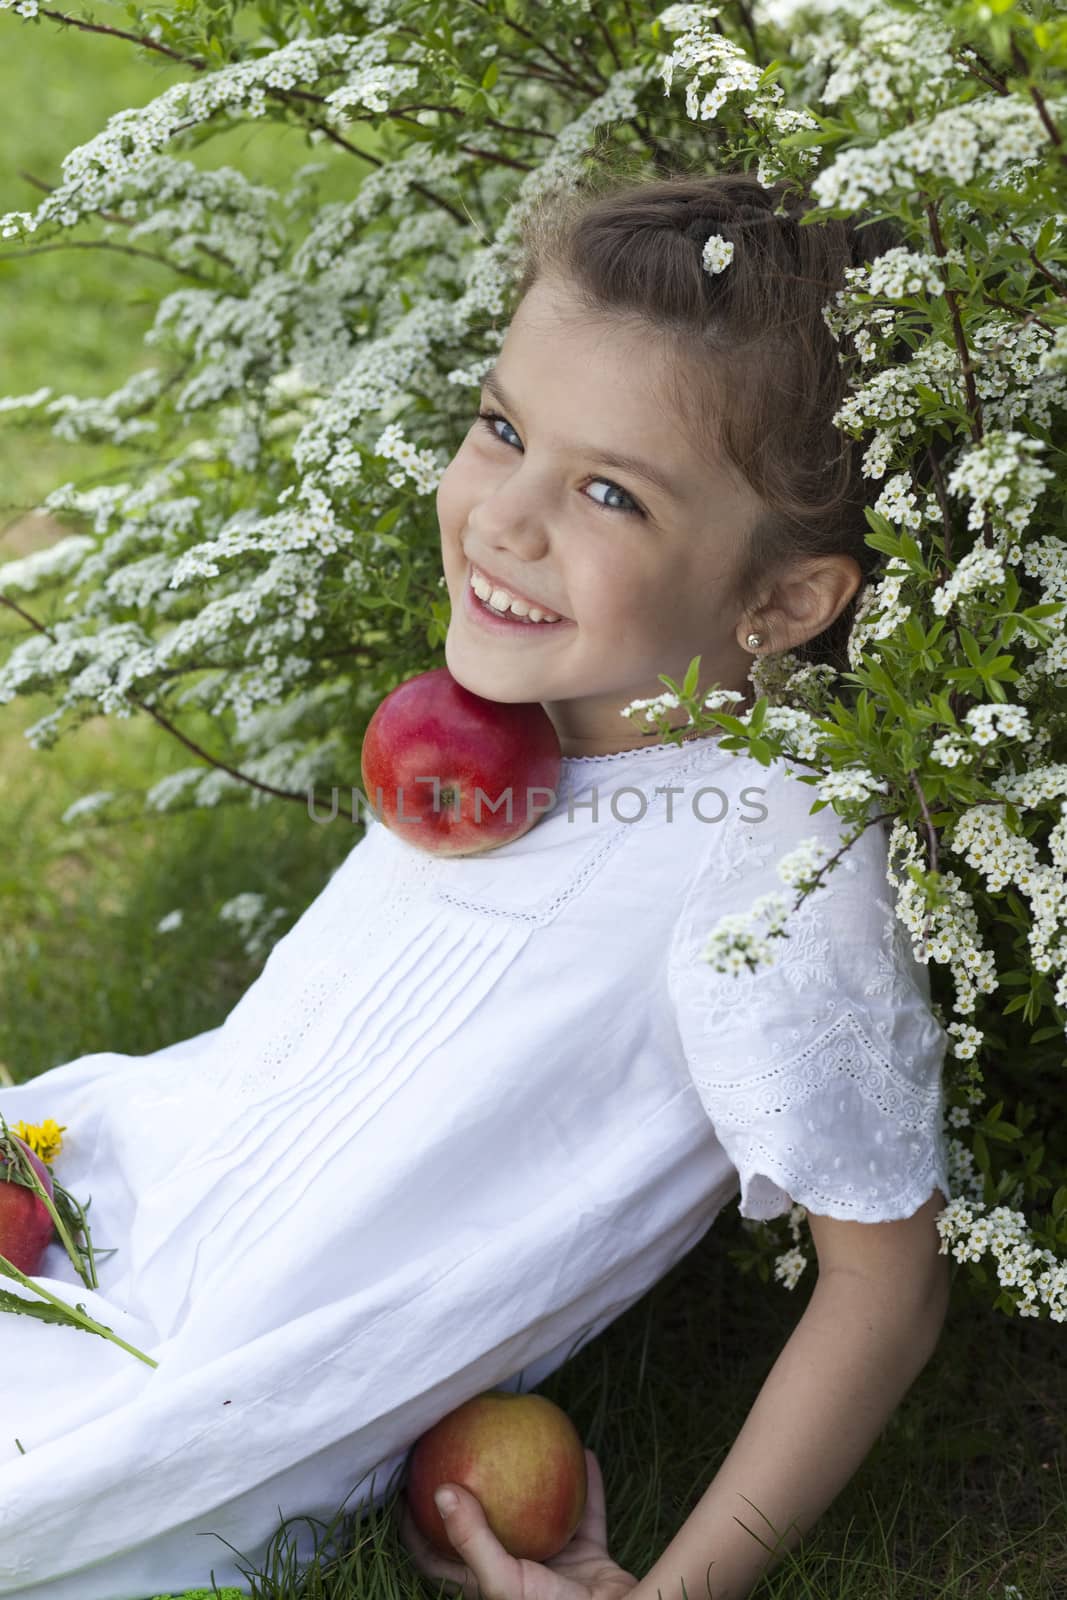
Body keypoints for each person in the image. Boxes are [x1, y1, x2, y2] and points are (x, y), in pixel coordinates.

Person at [0, 167, 952, 1600]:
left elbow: (888, 1282)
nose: (502, 521)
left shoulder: (772, 865)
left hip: (217, 1372)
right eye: (503, 428)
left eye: (611, 494)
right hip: (121, 1190)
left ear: (783, 603)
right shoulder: (502, 721)